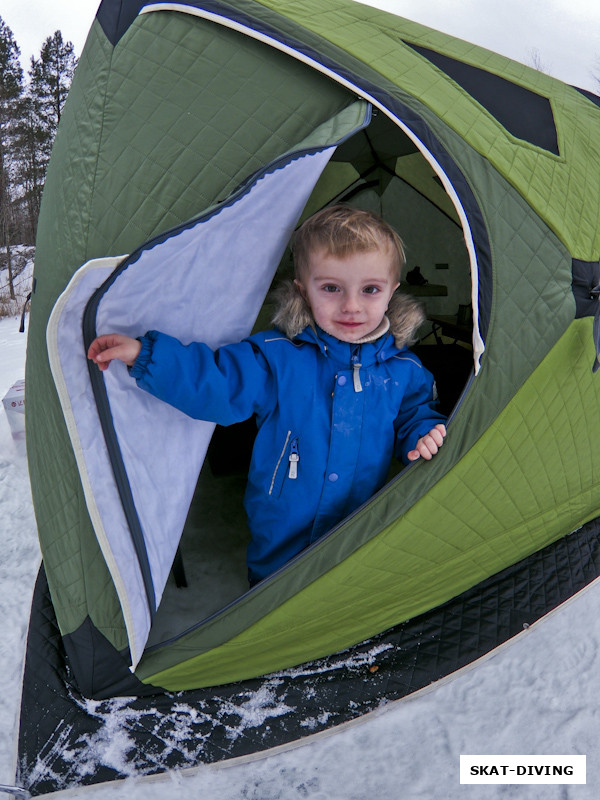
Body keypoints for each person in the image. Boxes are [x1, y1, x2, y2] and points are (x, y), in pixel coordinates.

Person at [88, 205, 446, 585]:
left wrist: (423, 433)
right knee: (277, 606)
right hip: (283, 536)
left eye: (370, 289)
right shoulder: (277, 357)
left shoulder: (404, 370)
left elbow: (416, 413)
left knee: (346, 592)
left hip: (357, 528)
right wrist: (148, 356)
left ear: (391, 292)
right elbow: (218, 381)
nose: (351, 306)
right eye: (330, 288)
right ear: (303, 290)